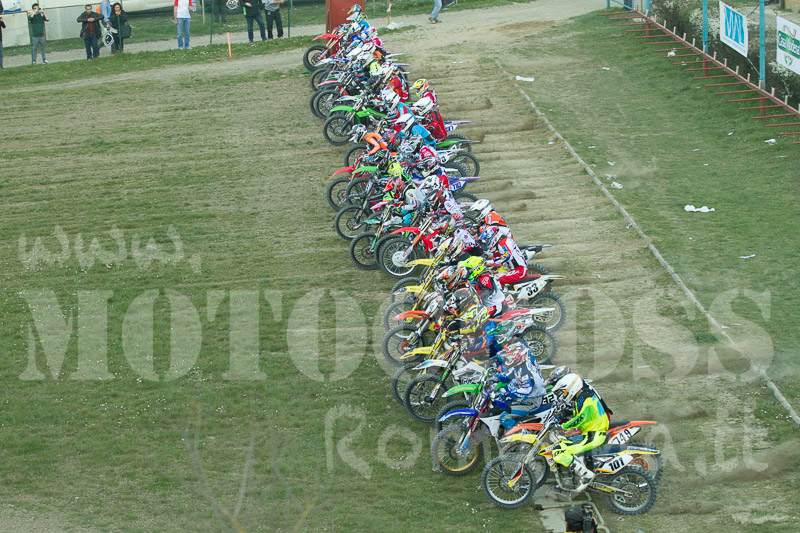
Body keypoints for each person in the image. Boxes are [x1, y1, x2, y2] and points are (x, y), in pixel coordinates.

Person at [550, 373, 610, 492]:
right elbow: (583, 413)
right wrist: (567, 413)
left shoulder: (585, 399)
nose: (564, 395)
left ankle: (586, 475)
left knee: (558, 452)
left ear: (572, 388)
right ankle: (572, 475)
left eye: (564, 392)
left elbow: (582, 417)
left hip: (593, 434)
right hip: (591, 430)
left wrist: (563, 426)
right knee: (563, 443)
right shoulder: (583, 396)